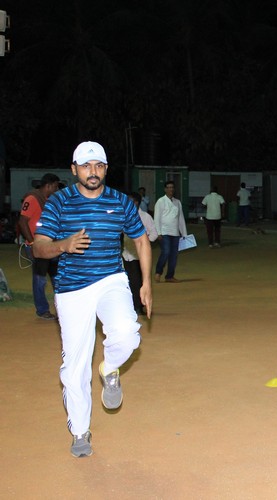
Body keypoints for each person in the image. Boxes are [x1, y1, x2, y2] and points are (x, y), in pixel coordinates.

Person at [32, 141, 152, 457]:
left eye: (98, 165)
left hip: (111, 279)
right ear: (74, 170)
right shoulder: (59, 202)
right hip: (72, 288)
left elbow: (141, 239)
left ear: (106, 168)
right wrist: (64, 245)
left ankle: (110, 368)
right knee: (75, 363)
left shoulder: (120, 201)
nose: (93, 172)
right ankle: (80, 431)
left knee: (127, 333)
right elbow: (38, 247)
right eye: (86, 166)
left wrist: (147, 283)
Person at [17, 173, 60, 320]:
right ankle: (42, 310)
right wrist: (32, 243)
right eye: (55, 186)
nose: (56, 189)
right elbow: (22, 222)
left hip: (51, 245)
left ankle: (62, 308)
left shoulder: (49, 200)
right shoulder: (33, 199)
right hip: (38, 246)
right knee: (40, 279)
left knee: (57, 277)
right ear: (48, 185)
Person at [123, 191, 158, 314]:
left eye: (131, 201)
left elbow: (154, 233)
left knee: (137, 281)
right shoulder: (123, 216)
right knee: (126, 281)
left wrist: (144, 242)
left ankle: (138, 306)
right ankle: (129, 305)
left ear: (137, 203)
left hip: (139, 256)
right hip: (125, 254)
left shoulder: (145, 217)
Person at [153, 180, 188, 283]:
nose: (170, 189)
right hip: (164, 232)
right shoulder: (161, 201)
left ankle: (169, 276)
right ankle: (158, 272)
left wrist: (184, 233)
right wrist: (158, 232)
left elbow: (180, 218)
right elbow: (157, 217)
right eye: (168, 187)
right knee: (166, 252)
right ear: (165, 189)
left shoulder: (177, 202)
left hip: (175, 233)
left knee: (174, 255)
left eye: (172, 187)